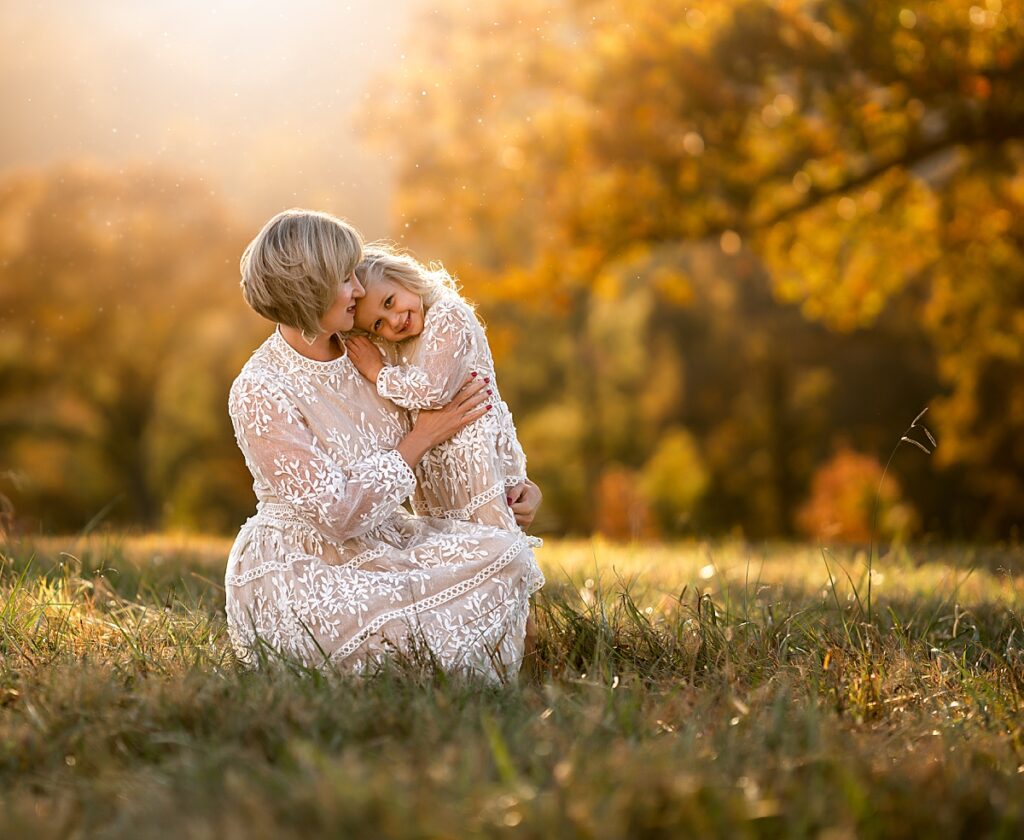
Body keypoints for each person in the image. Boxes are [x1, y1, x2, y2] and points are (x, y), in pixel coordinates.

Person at [225, 209, 544, 681]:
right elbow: (336, 514)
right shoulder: (260, 390)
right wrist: (419, 439)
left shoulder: (373, 346)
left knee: (505, 556)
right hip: (306, 564)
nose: (359, 290)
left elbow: (465, 422)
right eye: (344, 280)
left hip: (389, 541)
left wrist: (513, 484)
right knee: (388, 637)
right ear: (307, 292)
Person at [346, 245, 533, 534]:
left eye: (389, 301)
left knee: (490, 535)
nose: (394, 320)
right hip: (441, 464)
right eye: (378, 324)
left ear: (405, 278)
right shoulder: (403, 339)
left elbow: (434, 391)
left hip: (476, 450)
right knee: (452, 540)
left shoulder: (447, 313)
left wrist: (377, 372)